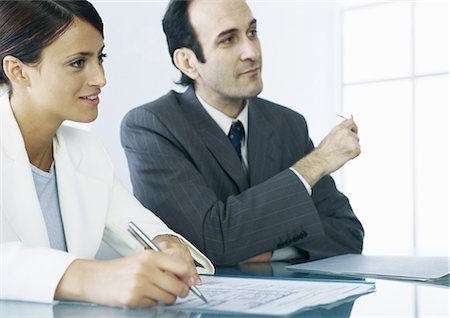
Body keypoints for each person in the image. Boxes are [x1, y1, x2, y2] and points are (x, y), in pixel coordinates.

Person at [0, 0, 213, 308]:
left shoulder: (85, 150)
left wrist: (168, 246)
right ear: (18, 71)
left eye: (100, 58)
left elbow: (137, 227)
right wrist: (88, 277)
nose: (100, 78)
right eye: (77, 63)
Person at [121, 0, 364, 266]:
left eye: (252, 33)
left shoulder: (287, 124)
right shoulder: (152, 126)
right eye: (228, 40)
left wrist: (271, 252)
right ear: (188, 62)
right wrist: (314, 164)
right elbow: (207, 244)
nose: (252, 52)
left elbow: (347, 232)